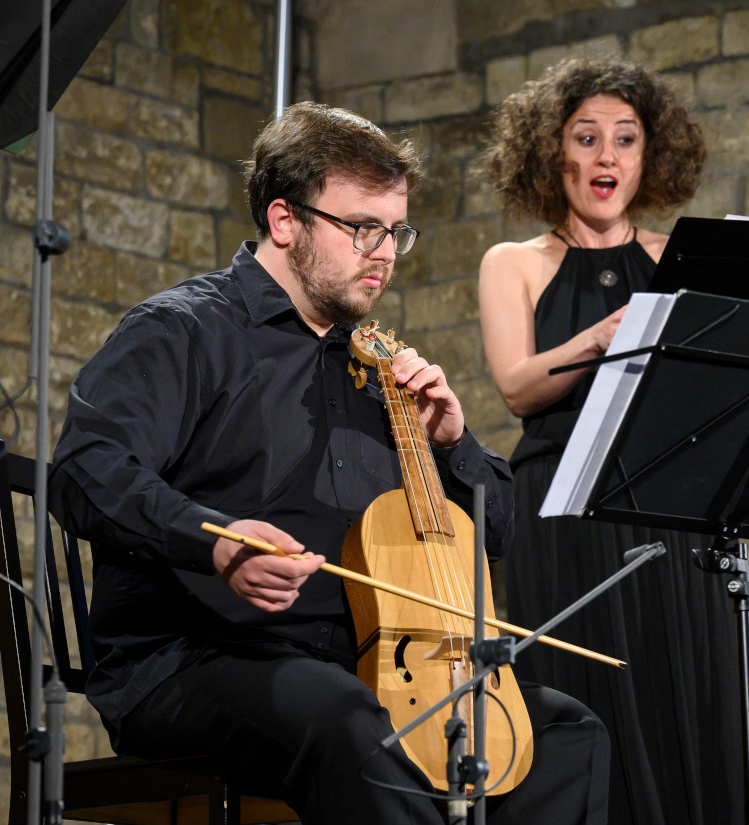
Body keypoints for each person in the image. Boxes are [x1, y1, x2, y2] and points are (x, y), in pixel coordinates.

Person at [48, 102, 609, 825]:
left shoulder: (377, 368)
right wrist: (212, 537)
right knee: (349, 721)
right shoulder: (183, 330)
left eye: (396, 231)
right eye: (362, 228)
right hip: (192, 656)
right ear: (285, 221)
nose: (384, 252)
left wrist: (453, 442)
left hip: (360, 665)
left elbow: (495, 534)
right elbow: (85, 467)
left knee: (562, 732)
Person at [477, 58, 745, 825]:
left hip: (667, 500)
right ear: (549, 152)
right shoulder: (515, 263)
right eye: (586, 137)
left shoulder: (677, 258)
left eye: (625, 140)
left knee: (681, 700)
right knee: (578, 699)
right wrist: (601, 336)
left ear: (648, 156)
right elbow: (518, 386)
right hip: (561, 506)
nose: (606, 157)